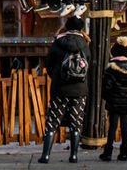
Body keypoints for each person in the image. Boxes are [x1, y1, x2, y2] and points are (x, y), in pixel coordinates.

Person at [38, 15, 89, 164]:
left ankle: (46, 155)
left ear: (67, 26)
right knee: (76, 122)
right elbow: (88, 65)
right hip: (79, 90)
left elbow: (49, 65)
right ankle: (73, 155)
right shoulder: (85, 44)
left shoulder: (57, 43)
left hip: (60, 89)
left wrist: (57, 77)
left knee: (52, 121)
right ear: (80, 28)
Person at [99, 36, 127, 162]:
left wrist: (108, 98)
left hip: (113, 102)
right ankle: (124, 152)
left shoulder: (111, 70)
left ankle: (108, 152)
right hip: (126, 102)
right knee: (125, 127)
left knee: (112, 127)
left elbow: (106, 88)